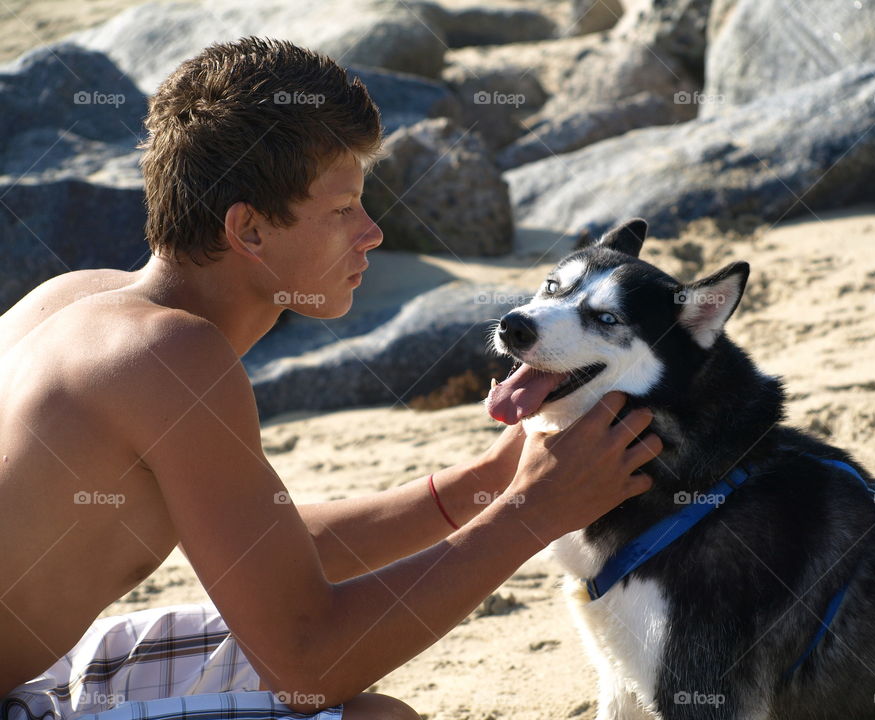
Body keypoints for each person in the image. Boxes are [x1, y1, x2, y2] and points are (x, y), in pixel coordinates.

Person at [0, 37, 662, 720]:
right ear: (249, 230)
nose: (372, 233)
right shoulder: (167, 355)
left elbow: (264, 550)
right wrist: (534, 511)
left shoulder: (74, 302)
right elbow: (308, 663)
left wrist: (488, 481)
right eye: (343, 209)